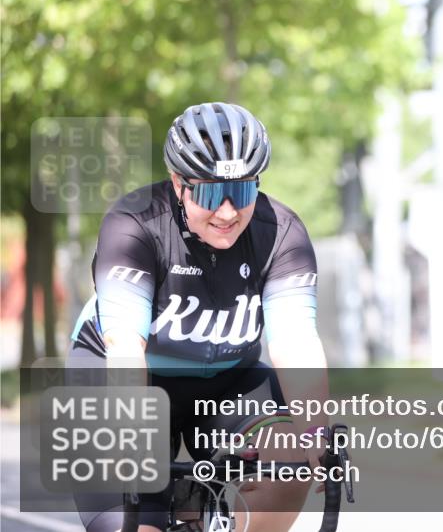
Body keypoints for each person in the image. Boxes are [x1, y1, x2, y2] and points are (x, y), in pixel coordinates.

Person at [68, 102, 330, 532]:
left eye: (243, 191)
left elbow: (296, 341)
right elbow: (125, 346)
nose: (228, 212)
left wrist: (315, 434)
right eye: (210, 193)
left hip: (227, 378)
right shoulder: (134, 223)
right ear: (178, 183)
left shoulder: (282, 232)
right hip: (125, 374)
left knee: (288, 460)